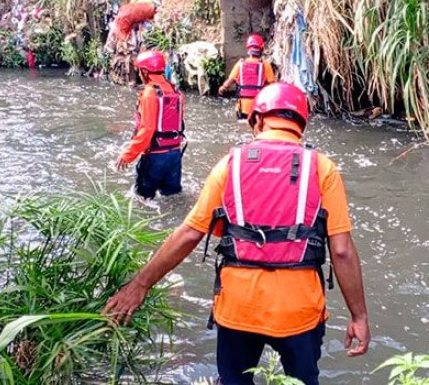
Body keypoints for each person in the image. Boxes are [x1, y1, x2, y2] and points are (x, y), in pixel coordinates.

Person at [104, 82, 370, 384]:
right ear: (301, 124)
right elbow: (342, 250)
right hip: (299, 311)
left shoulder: (229, 165)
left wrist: (139, 285)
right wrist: (359, 316)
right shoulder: (323, 169)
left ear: (256, 119)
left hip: (239, 308)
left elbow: (190, 233)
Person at [115, 50, 186, 200]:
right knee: (172, 200)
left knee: (143, 200)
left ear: (145, 71)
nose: (139, 74)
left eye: (140, 70)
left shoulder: (150, 93)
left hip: (155, 157)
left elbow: (147, 129)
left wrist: (128, 154)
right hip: (175, 155)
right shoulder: (176, 91)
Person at [218, 33, 277, 120]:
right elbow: (273, 86)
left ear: (248, 48)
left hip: (243, 108)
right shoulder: (265, 65)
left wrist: (222, 88)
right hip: (258, 108)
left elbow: (228, 83)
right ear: (262, 48)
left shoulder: (240, 64)